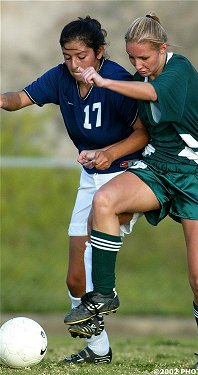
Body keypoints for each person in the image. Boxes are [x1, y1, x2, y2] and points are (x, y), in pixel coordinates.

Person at [64, 13, 198, 369]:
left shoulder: (181, 70)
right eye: (132, 59)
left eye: (145, 58)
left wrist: (105, 82)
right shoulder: (139, 76)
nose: (139, 65)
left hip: (196, 177)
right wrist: (104, 154)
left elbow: (153, 92)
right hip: (157, 168)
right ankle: (105, 294)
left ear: (163, 49)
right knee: (105, 201)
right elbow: (140, 122)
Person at [0, 16, 149, 364]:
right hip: (90, 177)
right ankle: (99, 351)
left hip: (126, 176)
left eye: (81, 56)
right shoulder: (61, 78)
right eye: (67, 56)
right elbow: (18, 98)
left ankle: (106, 298)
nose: (73, 64)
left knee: (92, 253)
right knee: (75, 278)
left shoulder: (116, 80)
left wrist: (108, 154)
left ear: (98, 53)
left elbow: (142, 133)